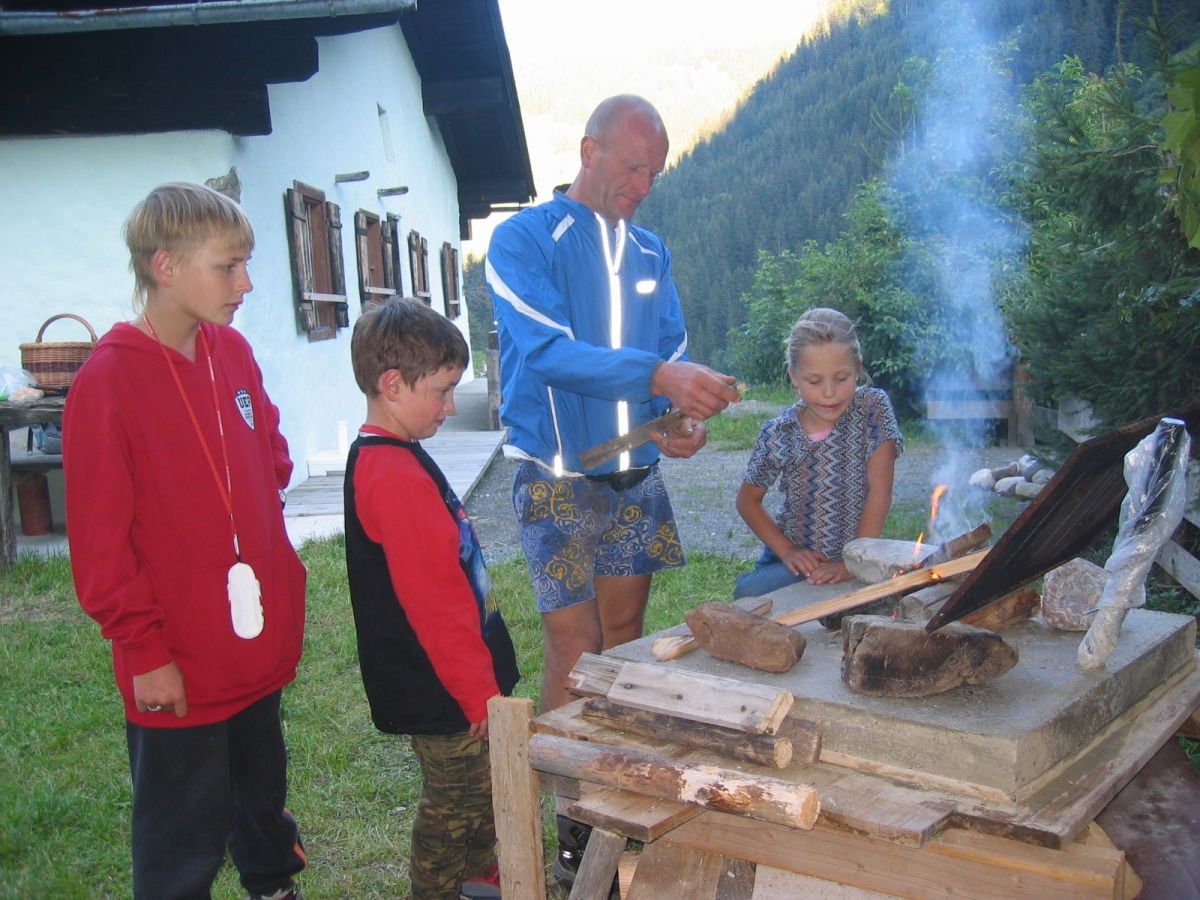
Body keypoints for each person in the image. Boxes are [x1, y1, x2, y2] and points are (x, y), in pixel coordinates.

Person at [484, 93, 741, 885]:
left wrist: (680, 419)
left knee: (625, 638)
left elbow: (672, 361)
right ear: (588, 151)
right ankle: (568, 809)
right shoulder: (524, 239)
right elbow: (547, 352)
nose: (643, 184)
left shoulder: (652, 254)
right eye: (633, 167)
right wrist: (660, 376)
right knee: (574, 643)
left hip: (635, 475)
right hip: (557, 479)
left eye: (654, 172)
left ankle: (613, 795)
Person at [63, 182, 307, 899]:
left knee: (261, 791)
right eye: (228, 266)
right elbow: (101, 543)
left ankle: (272, 884)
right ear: (165, 267)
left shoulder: (232, 351)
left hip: (249, 641)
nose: (247, 282)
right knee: (182, 829)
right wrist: (143, 649)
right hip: (175, 658)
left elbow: (271, 456)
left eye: (247, 263)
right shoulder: (109, 382)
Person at [343, 297, 519, 900]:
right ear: (392, 384)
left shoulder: (397, 454)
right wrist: (479, 695)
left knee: (482, 792)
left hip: (458, 685)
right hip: (447, 693)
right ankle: (442, 887)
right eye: (443, 391)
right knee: (455, 808)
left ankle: (479, 879)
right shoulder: (390, 475)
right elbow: (435, 604)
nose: (450, 406)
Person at [734, 307, 903, 598]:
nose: (829, 392)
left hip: (861, 550)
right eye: (814, 381)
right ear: (794, 376)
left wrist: (854, 562)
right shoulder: (780, 433)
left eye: (841, 378)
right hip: (797, 560)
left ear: (859, 368)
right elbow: (748, 502)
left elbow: (880, 490)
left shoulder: (873, 409)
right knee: (747, 593)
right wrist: (789, 552)